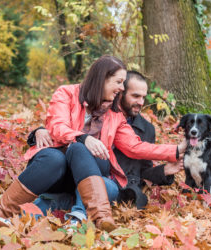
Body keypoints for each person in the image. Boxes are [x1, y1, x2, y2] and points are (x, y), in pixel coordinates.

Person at [0, 55, 187, 232]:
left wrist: (177, 151)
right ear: (103, 79)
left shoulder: (115, 114)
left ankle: (100, 216)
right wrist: (84, 137)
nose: (121, 88)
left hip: (92, 170)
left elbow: (135, 147)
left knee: (79, 149)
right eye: (119, 82)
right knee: (53, 156)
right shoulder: (66, 93)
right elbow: (56, 125)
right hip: (58, 172)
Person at [31, 71, 183, 221]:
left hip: (112, 185)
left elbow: (142, 167)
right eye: (135, 96)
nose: (141, 102)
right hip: (74, 174)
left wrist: (164, 170)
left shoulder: (147, 129)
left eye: (144, 97)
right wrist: (41, 130)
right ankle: (26, 211)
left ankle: (69, 210)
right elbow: (66, 127)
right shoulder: (98, 111)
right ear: (119, 93)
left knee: (74, 194)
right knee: (76, 160)